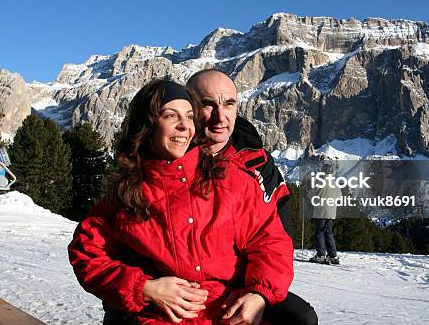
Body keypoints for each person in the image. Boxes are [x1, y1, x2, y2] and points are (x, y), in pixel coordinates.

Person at [68, 79, 294, 324]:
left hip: (229, 312)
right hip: (161, 318)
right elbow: (87, 253)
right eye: (170, 116)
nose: (184, 126)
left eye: (189, 116)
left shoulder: (231, 180)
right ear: (148, 124)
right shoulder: (128, 193)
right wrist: (143, 288)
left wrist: (258, 295)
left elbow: (270, 240)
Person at [186, 70, 318, 325]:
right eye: (208, 104)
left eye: (229, 104)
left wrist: (258, 293)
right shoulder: (169, 156)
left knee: (301, 318)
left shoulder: (258, 164)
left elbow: (276, 239)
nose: (220, 117)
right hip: (183, 286)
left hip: (246, 282)